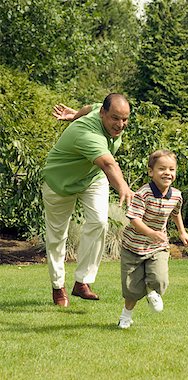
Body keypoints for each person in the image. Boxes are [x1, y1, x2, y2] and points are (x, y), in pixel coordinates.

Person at [42, 93, 133, 307]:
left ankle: (82, 282)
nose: (120, 125)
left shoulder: (97, 112)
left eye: (125, 119)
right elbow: (109, 164)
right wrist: (124, 188)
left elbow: (87, 106)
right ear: (103, 113)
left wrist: (74, 114)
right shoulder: (87, 133)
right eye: (115, 118)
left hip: (91, 177)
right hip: (59, 182)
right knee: (57, 236)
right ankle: (58, 287)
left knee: (100, 222)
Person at [118, 149, 188, 329]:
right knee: (131, 289)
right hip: (132, 246)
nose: (167, 173)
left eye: (172, 169)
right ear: (151, 172)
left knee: (160, 279)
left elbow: (176, 213)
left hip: (157, 246)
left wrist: (182, 232)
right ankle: (126, 316)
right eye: (162, 169)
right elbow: (134, 219)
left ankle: (153, 291)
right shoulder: (142, 193)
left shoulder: (176, 195)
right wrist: (150, 232)